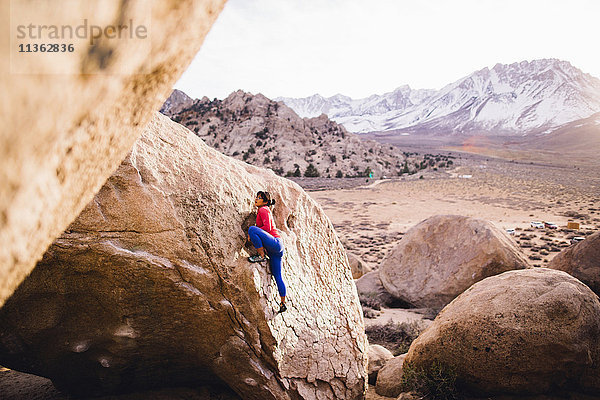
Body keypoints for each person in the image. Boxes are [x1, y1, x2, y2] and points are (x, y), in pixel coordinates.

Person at [247, 191, 287, 313]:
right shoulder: (264, 209)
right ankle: (283, 303)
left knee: (252, 229)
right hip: (277, 248)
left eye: (259, 198)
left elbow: (268, 228)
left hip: (275, 242)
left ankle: (261, 256)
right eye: (257, 197)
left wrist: (253, 233)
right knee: (277, 276)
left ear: (265, 202)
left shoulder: (263, 209)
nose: (256, 199)